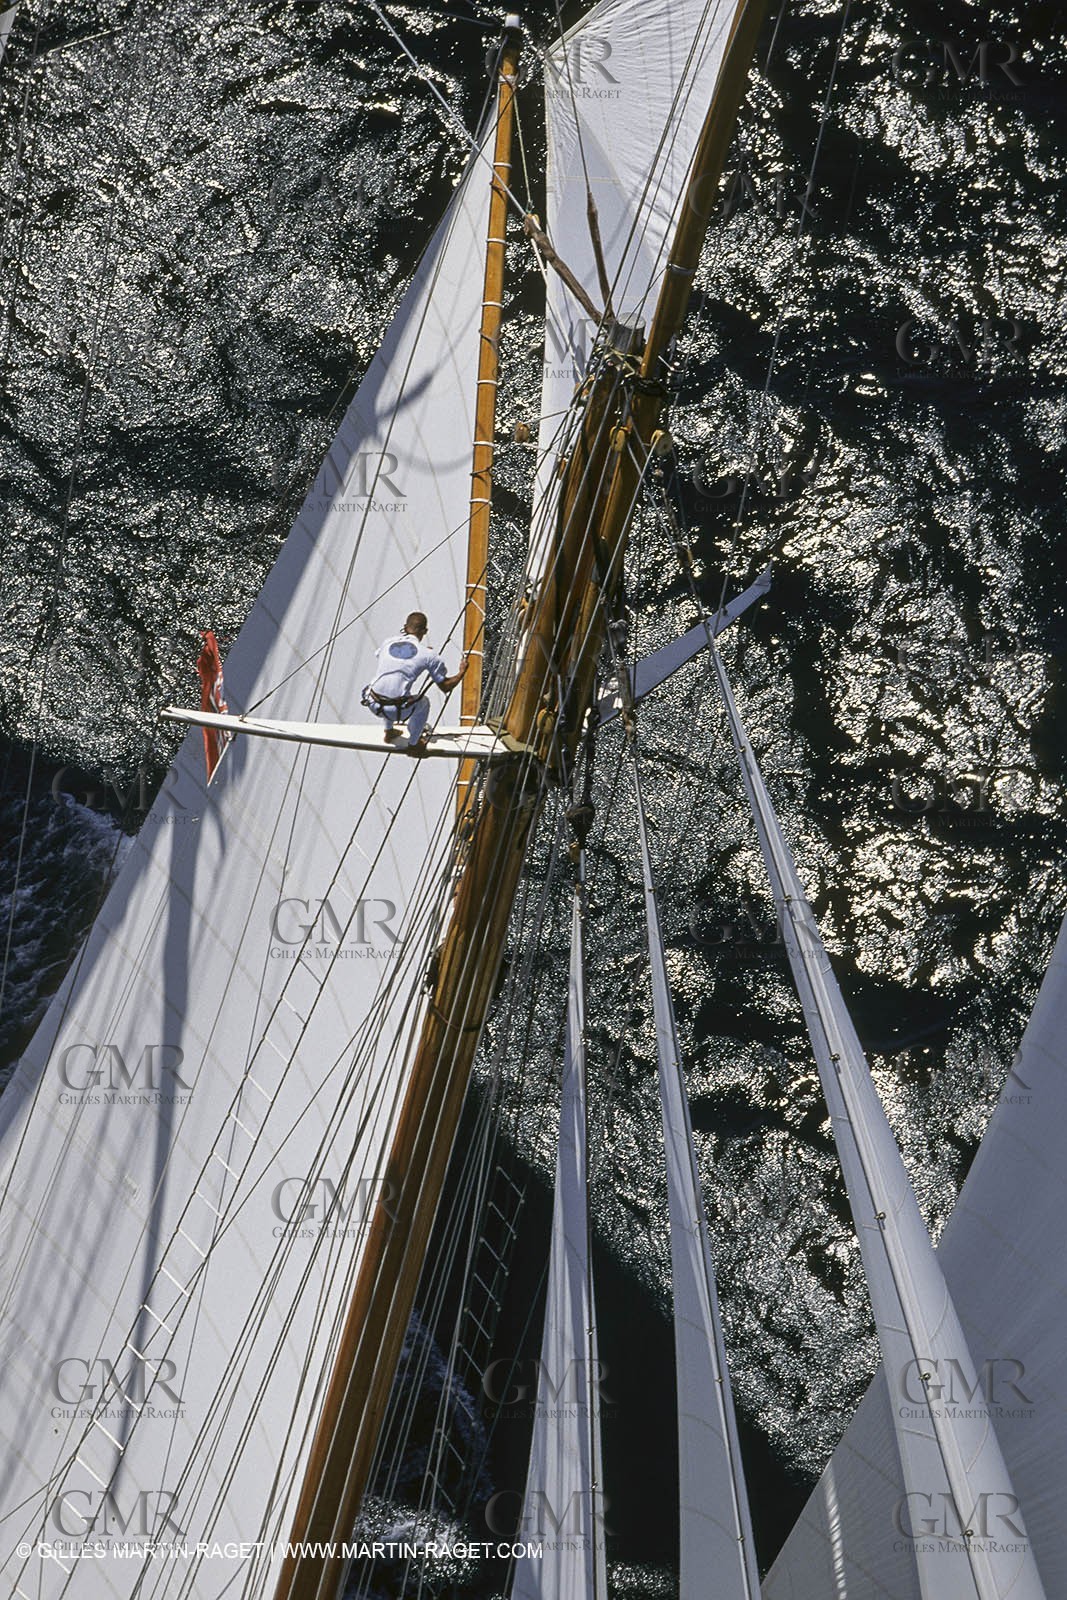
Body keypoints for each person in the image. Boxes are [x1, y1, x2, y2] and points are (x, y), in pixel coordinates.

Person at [363, 612, 469, 747]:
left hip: (372, 703)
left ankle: (388, 731)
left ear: (405, 627)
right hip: (396, 712)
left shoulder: (388, 642)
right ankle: (414, 743)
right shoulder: (429, 655)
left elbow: (384, 656)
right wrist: (462, 672)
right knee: (423, 702)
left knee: (385, 687)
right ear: (425, 631)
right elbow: (446, 686)